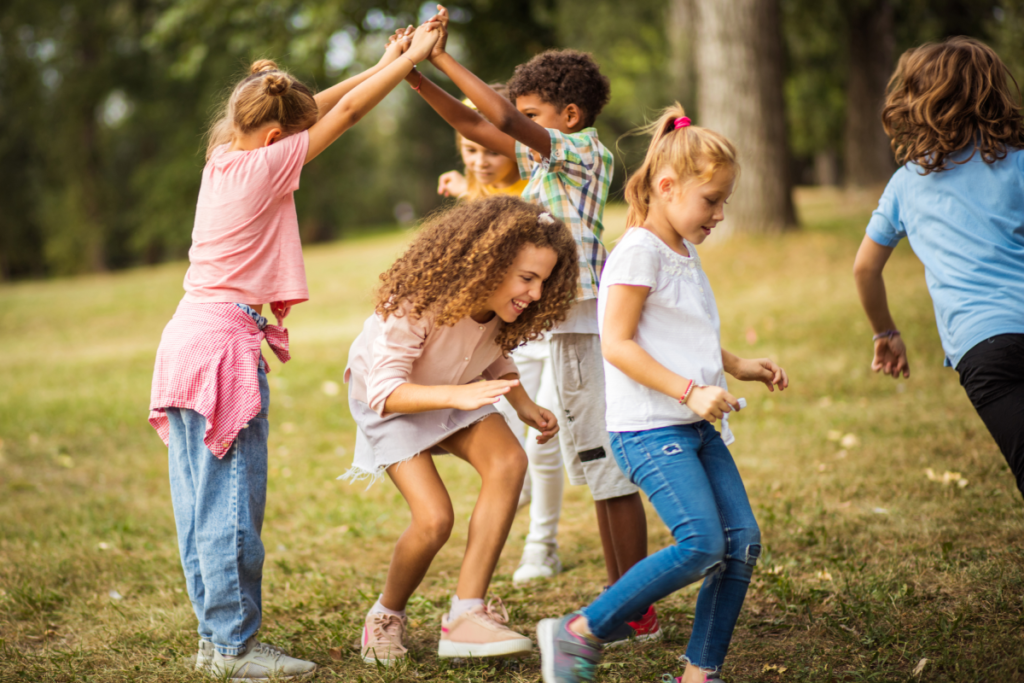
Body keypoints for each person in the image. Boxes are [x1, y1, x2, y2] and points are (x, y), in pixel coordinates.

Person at [147, 22, 441, 681]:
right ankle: (233, 649)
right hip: (223, 347)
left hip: (184, 340)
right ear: (279, 137)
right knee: (230, 512)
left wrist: (381, 60)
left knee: (199, 506)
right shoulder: (268, 161)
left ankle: (214, 638)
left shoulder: (224, 153)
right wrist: (409, 62)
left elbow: (317, 106)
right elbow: (350, 111)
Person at [393, 8, 659, 642]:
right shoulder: (544, 162)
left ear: (570, 116)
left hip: (583, 329)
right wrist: (413, 76)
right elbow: (473, 121)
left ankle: (635, 606)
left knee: (605, 463)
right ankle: (624, 599)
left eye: (535, 114)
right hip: (556, 330)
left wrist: (441, 58)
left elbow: (503, 118)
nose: (520, 125)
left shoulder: (582, 153)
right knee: (593, 461)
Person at [537, 107, 789, 683]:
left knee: (740, 542)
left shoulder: (682, 250)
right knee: (701, 542)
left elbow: (685, 331)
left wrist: (738, 365)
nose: (720, 214)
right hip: (650, 428)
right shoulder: (638, 251)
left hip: (692, 423)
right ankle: (579, 630)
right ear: (668, 187)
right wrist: (690, 390)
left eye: (724, 201)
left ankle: (700, 672)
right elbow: (617, 343)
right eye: (712, 201)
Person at [341, 195, 578, 665]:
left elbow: (492, 352)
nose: (534, 293)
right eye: (527, 278)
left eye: (543, 282)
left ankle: (466, 614)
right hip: (392, 400)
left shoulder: (502, 309)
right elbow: (386, 391)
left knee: (510, 460)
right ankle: (386, 614)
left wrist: (523, 403)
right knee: (434, 520)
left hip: (454, 389)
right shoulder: (415, 301)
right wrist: (459, 396)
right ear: (489, 264)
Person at [853, 36, 1024, 499]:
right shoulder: (1018, 164)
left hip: (982, 347)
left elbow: (865, 268)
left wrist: (885, 332)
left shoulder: (908, 183)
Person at [423, 76, 566, 583]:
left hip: (551, 331)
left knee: (548, 441)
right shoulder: (479, 191)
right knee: (519, 436)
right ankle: (528, 507)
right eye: (469, 150)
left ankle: (541, 544)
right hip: (506, 342)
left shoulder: (533, 192)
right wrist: (466, 190)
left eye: (490, 151)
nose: (480, 160)